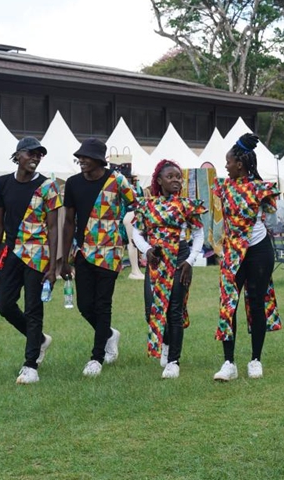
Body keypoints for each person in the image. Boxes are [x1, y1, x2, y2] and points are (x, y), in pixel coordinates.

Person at [61, 138, 138, 377]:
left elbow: (137, 204)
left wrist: (127, 228)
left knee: (103, 304)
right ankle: (108, 334)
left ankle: (97, 358)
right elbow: (68, 222)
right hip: (83, 251)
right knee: (85, 305)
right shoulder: (73, 183)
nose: (81, 161)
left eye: (85, 157)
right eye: (80, 157)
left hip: (110, 252)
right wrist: (63, 259)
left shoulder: (117, 180)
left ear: (98, 159)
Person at [0, 137, 61, 385]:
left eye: (39, 155)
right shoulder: (2, 184)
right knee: (5, 305)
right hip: (11, 253)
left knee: (33, 308)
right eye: (31, 153)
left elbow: (53, 228)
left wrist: (53, 266)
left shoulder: (48, 186)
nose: (36, 158)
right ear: (17, 155)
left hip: (38, 253)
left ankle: (31, 366)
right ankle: (39, 340)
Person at [212, 133, 281, 381]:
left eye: (228, 162)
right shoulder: (224, 187)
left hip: (259, 250)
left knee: (256, 302)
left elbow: (273, 218)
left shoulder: (260, 189)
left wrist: (258, 219)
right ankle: (228, 363)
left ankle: (255, 360)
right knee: (228, 304)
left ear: (239, 164)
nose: (226, 166)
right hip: (232, 251)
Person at [131, 159, 206, 379]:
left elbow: (199, 233)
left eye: (178, 177)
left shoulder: (187, 205)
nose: (175, 180)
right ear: (159, 180)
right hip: (156, 258)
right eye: (170, 177)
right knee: (151, 309)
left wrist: (191, 260)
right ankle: (164, 343)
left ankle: (174, 361)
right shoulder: (147, 205)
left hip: (180, 257)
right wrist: (146, 250)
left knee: (174, 310)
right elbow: (136, 232)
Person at [123, 173, 147, 280]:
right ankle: (134, 270)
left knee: (133, 243)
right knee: (132, 243)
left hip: (133, 214)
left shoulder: (135, 188)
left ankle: (135, 270)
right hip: (130, 215)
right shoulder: (128, 188)